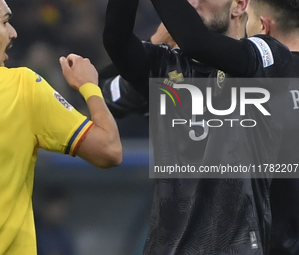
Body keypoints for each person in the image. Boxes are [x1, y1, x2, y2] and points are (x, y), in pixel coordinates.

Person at [103, 0, 299, 254]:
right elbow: (115, 43)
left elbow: (196, 41)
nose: (192, 3)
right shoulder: (166, 67)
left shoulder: (269, 59)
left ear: (239, 5)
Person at [0, 0, 122, 254]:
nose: (13, 32)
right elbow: (109, 150)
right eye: (4, 22)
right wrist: (89, 86)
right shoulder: (19, 86)